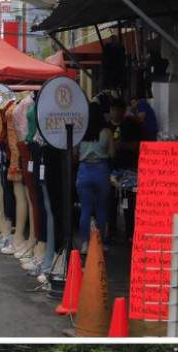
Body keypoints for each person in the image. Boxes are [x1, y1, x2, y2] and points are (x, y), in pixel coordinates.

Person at [76, 102, 115, 253]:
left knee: (85, 210)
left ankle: (85, 243)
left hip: (84, 170)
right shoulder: (107, 132)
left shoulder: (80, 131)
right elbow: (112, 154)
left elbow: (74, 153)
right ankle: (101, 243)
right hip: (101, 171)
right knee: (101, 210)